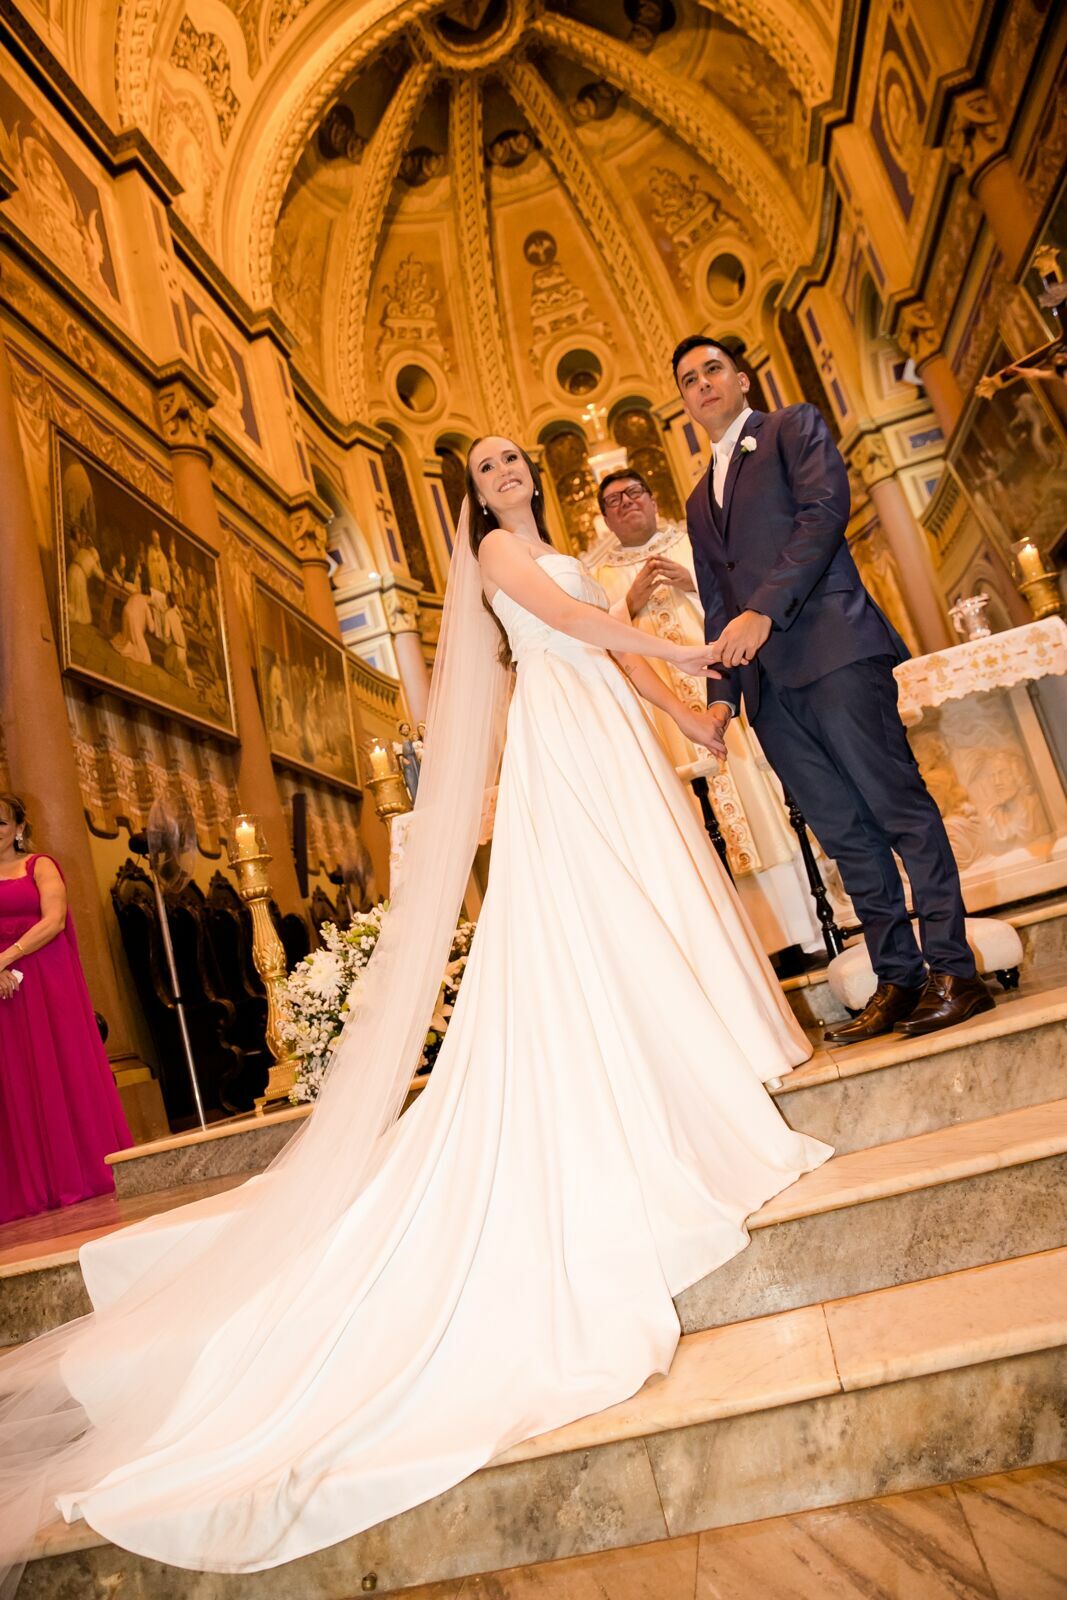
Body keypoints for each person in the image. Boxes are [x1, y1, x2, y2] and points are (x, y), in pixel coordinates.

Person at [0, 440, 830, 1586]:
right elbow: (573, 630)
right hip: (564, 747)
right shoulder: (499, 552)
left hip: (611, 728)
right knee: (593, 917)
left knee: (654, 898)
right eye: (481, 465)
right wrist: (683, 645)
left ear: (530, 471)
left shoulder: (558, 544)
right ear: (469, 495)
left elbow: (601, 636)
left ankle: (710, 1049)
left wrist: (681, 710)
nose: (498, 473)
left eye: (507, 459)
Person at [673, 334, 993, 1041]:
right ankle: (899, 980)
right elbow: (717, 600)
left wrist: (766, 609)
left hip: (835, 649)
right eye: (689, 380)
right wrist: (722, 695)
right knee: (846, 837)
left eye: (712, 370)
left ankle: (954, 970)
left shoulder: (792, 427)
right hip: (769, 692)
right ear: (685, 402)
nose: (702, 385)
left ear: (741, 378)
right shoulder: (698, 500)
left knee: (897, 810)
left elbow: (823, 515)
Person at [586, 467, 825, 957]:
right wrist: (625, 606)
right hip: (669, 722)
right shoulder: (598, 577)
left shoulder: (694, 542)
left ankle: (805, 929)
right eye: (613, 501)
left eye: (634, 493)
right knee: (698, 823)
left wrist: (694, 582)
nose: (627, 503)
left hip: (726, 698)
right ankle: (745, 948)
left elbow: (749, 597)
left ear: (653, 499)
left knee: (766, 806)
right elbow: (596, 642)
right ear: (605, 519)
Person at [0, 795, 132, 1224]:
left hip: (47, 978)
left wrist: (6, 957)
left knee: (61, 1068)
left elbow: (53, 920)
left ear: (18, 827)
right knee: (18, 1078)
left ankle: (80, 1173)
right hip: (3, 991)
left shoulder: (40, 865)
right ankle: (33, 1186)